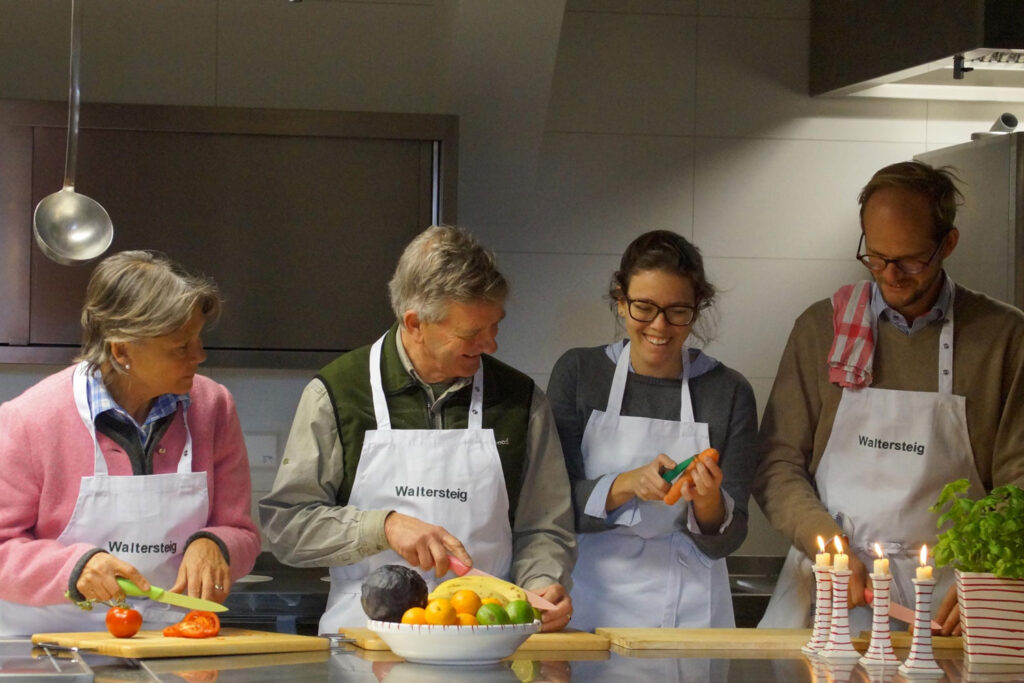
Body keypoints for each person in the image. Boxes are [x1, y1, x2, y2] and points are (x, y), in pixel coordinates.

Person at [259, 225, 576, 633]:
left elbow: (544, 526)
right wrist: (383, 527)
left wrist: (543, 582)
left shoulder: (520, 401)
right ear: (415, 323)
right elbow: (288, 528)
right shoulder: (338, 393)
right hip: (364, 641)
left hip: (486, 642)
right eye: (471, 333)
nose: (491, 345)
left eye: (495, 325)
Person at [754, 161, 1024, 635]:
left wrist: (988, 570)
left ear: (949, 244)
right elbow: (777, 464)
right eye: (876, 258)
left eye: (910, 260)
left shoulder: (1004, 338)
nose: (891, 275)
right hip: (831, 592)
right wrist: (828, 546)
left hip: (950, 607)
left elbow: (1019, 482)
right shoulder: (823, 329)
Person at [0, 251, 260, 636]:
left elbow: (242, 532)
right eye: (180, 347)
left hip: (171, 638)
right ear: (122, 351)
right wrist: (76, 568)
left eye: (198, 340)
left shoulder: (214, 407)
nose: (200, 356)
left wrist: (216, 544)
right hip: (48, 644)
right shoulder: (29, 419)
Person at [546, 230, 759, 630]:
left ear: (697, 308)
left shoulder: (729, 391)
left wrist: (708, 500)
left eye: (678, 310)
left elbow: (733, 535)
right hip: (593, 605)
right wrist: (626, 484)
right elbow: (550, 508)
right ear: (620, 302)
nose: (660, 326)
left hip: (691, 613)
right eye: (643, 307)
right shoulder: (578, 373)